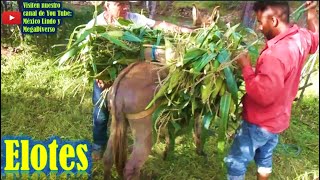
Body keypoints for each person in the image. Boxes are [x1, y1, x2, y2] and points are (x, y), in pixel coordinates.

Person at [84, 1, 194, 161]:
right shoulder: (95, 24)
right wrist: (97, 74)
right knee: (101, 113)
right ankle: (99, 145)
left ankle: (123, 139)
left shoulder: (134, 19)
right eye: (120, 4)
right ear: (107, 5)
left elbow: (158, 24)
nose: (126, 7)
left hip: (129, 77)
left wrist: (186, 30)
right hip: (105, 78)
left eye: (127, 3)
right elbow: (87, 55)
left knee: (128, 111)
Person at [224, 1, 318, 180]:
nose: (259, 28)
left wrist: (246, 67)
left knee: (235, 160)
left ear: (274, 21)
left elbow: (262, 95)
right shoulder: (299, 37)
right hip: (278, 120)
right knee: (264, 156)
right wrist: (311, 12)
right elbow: (316, 39)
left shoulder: (275, 55)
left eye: (260, 22)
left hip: (259, 122)